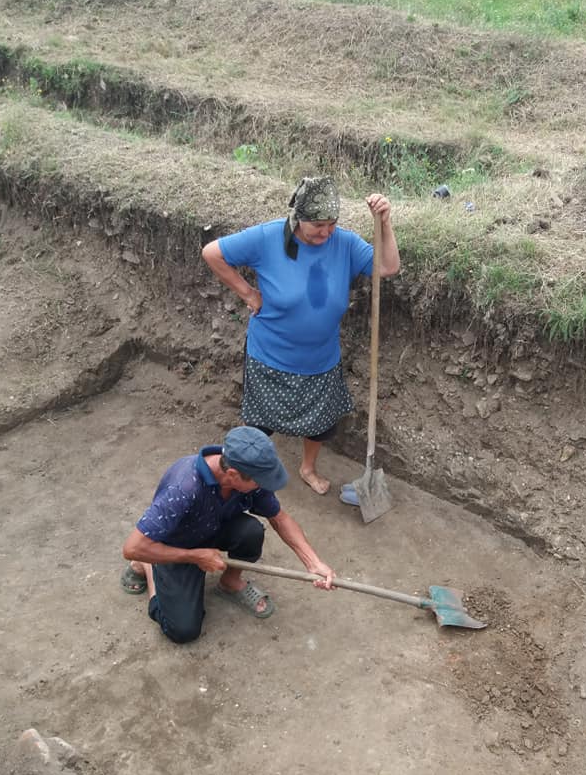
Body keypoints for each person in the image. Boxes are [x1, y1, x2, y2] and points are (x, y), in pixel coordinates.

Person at [201, 175, 400, 496]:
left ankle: (308, 468)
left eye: (332, 224)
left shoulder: (344, 244)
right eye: (318, 225)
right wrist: (248, 293)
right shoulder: (267, 238)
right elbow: (212, 253)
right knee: (259, 424)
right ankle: (248, 470)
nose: (326, 232)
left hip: (320, 359)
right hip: (269, 357)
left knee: (319, 425)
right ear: (298, 218)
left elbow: (387, 267)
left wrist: (385, 223)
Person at [120, 426, 335, 644]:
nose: (262, 486)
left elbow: (279, 518)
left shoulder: (248, 472)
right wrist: (195, 556)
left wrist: (313, 563)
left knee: (251, 532)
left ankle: (229, 582)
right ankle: (149, 567)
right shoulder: (184, 488)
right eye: (259, 482)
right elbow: (131, 548)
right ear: (232, 474)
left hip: (212, 527)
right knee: (182, 630)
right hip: (177, 545)